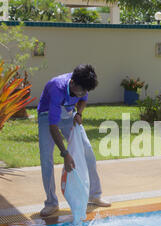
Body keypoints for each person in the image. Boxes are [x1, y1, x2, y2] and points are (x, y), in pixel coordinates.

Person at [37, 64, 111, 217]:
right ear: (72, 83)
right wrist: (65, 154)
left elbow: (83, 100)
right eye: (81, 91)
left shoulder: (82, 83)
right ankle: (51, 202)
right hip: (47, 116)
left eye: (86, 91)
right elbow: (53, 127)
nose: (83, 94)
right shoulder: (56, 88)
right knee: (46, 159)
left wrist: (79, 113)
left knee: (87, 150)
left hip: (69, 114)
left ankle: (94, 195)